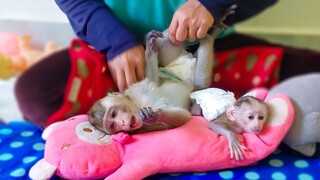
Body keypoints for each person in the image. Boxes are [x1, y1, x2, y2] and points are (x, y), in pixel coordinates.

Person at [15, 0, 320, 129]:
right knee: (35, 94)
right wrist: (114, 40)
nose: (122, 126)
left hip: (207, 46)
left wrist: (211, 4)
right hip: (114, 54)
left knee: (311, 73)